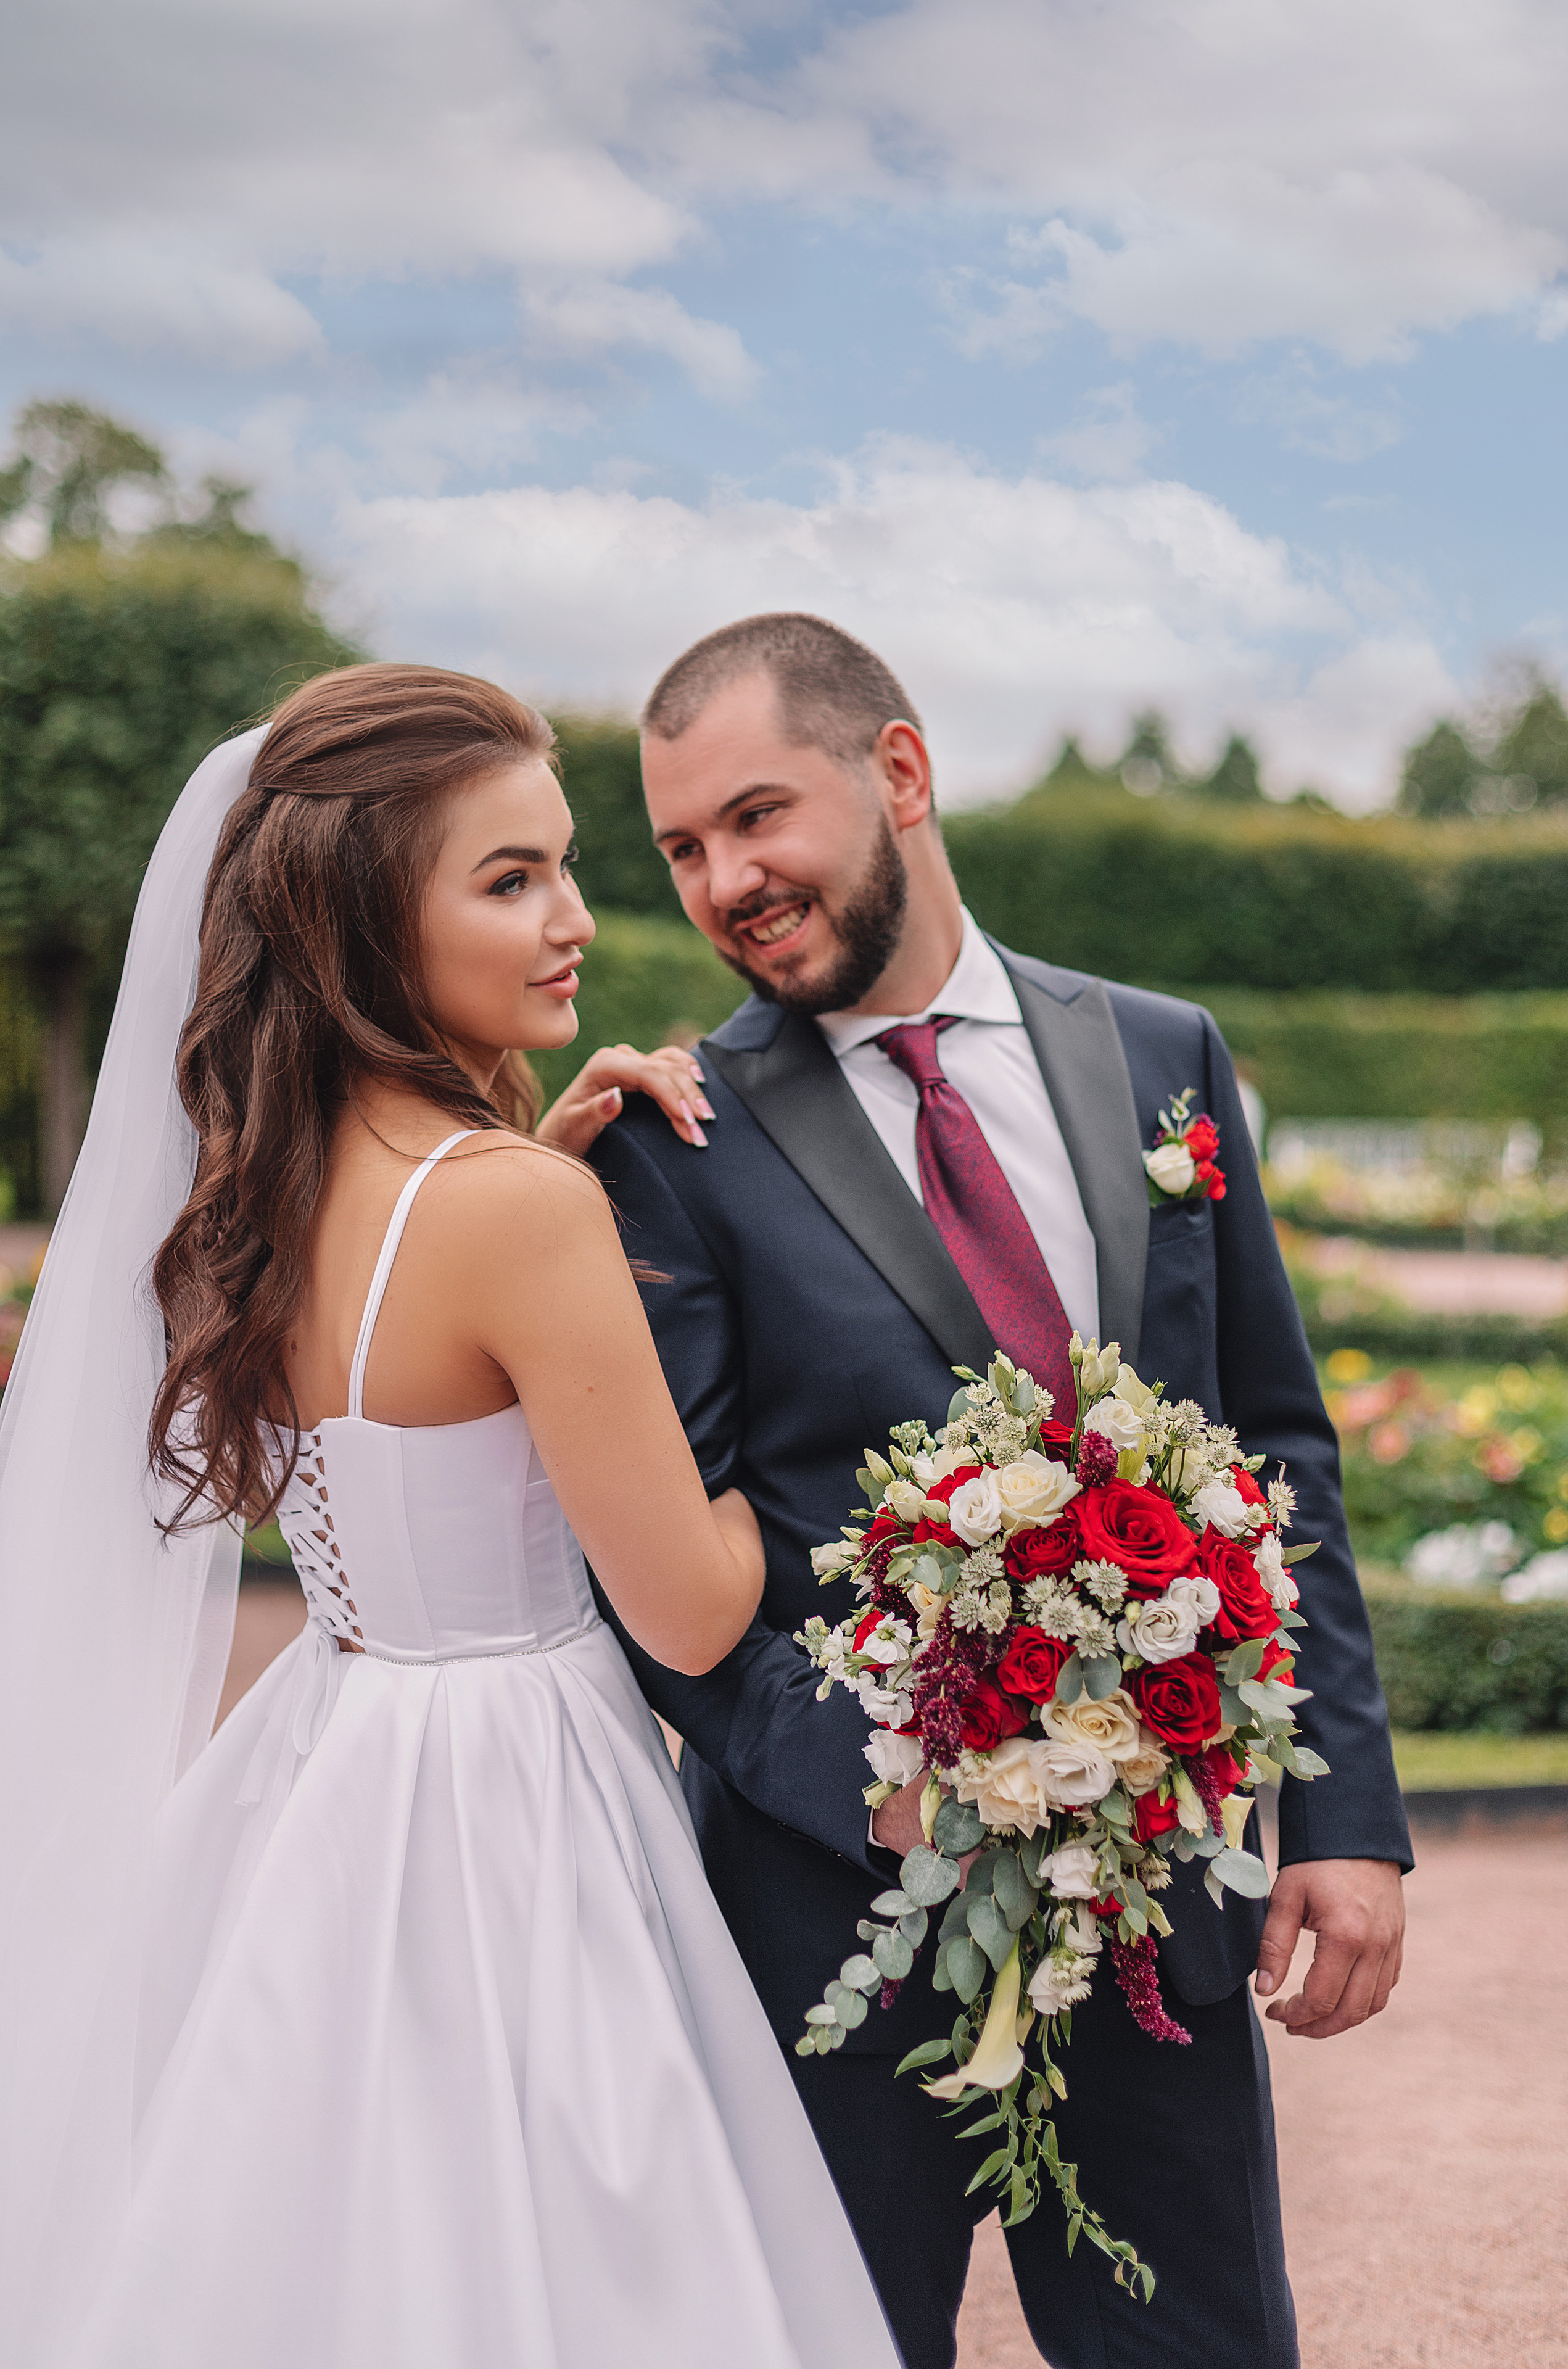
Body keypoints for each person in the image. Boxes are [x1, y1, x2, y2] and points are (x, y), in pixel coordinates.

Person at [0, 663, 904, 2369]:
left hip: (334, 1744)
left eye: (566, 865)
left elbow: (420, 1374)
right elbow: (693, 1607)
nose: (575, 919)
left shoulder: (260, 1192)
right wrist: (779, 1423)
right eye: (509, 879)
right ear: (360, 922)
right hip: (519, 1792)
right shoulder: (521, 1214)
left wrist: (536, 1150)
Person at [590, 613, 1413, 2369]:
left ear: (899, 770)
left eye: (757, 817)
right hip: (838, 1938)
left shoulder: (1164, 1056)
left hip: (1162, 1918)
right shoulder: (673, 1143)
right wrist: (881, 1795)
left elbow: (1278, 1452)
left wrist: (1341, 1816)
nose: (726, 883)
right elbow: (654, 1581)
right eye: (681, 850)